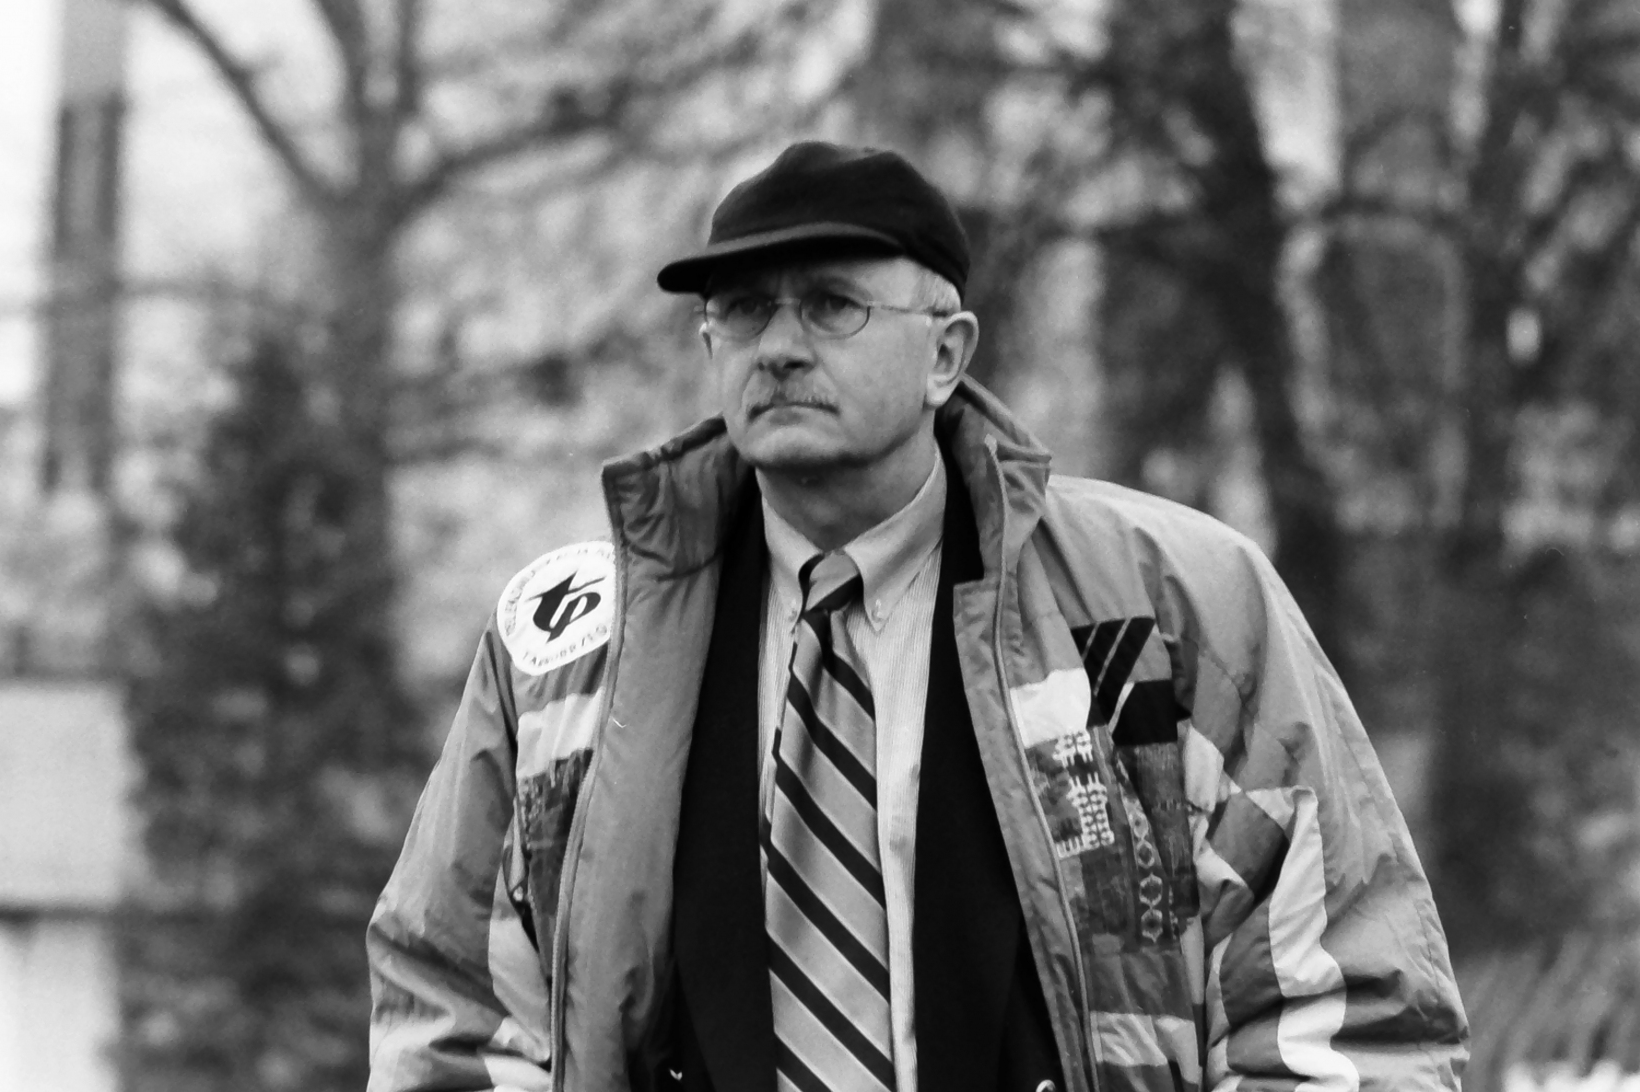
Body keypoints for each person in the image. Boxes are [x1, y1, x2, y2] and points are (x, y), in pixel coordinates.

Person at [366, 142, 1469, 1092]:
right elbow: (453, 1008)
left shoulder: (1171, 606)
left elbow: (1344, 1013)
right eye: (743, 311)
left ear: (947, 353)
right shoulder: (566, 651)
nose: (779, 345)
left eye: (830, 304)